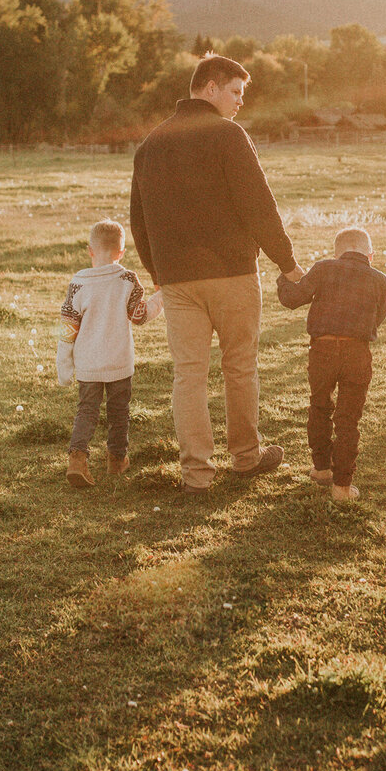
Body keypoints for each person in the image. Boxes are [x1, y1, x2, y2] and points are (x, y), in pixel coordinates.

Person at [129, 54, 303, 492]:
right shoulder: (227, 136)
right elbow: (258, 204)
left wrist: (158, 273)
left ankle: (197, 474)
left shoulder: (150, 145)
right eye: (235, 92)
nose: (240, 102)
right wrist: (287, 262)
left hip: (177, 281)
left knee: (189, 373)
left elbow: (139, 220)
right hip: (231, 275)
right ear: (210, 87)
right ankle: (245, 457)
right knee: (239, 366)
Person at [277, 226, 386, 502]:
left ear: (337, 253)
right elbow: (380, 316)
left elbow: (291, 299)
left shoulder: (324, 268)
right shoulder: (380, 279)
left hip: (322, 349)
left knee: (319, 405)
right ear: (370, 255)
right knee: (348, 419)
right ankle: (341, 487)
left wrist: (283, 276)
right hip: (357, 352)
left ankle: (322, 468)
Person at [57, 218, 163, 489]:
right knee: (119, 412)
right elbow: (140, 317)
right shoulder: (127, 279)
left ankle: (77, 459)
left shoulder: (78, 283)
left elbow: (68, 329)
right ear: (121, 253)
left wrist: (64, 367)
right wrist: (160, 297)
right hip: (118, 361)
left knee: (87, 411)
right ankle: (117, 460)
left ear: (90, 250)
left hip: (88, 364)